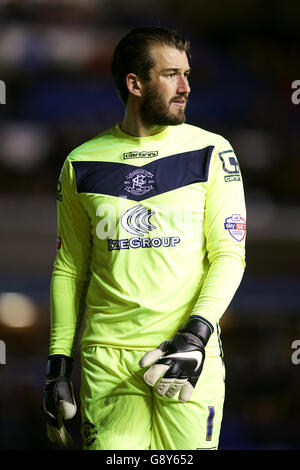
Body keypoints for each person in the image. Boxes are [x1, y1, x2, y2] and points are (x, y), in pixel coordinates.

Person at [43, 26, 246, 451]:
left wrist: (196, 335)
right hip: (107, 361)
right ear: (135, 84)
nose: (186, 87)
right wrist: (59, 366)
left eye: (187, 74)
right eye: (171, 75)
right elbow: (69, 268)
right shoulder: (81, 163)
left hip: (188, 352)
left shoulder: (212, 151)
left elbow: (229, 254)